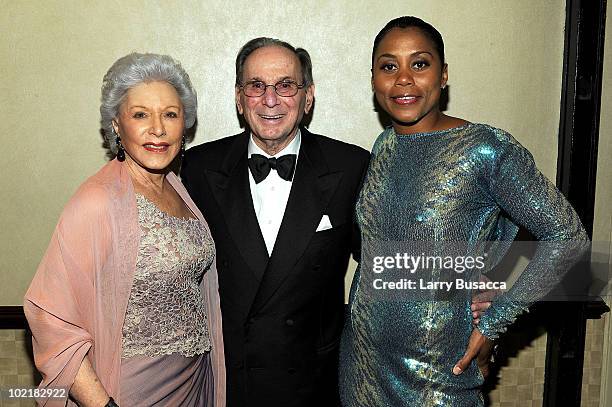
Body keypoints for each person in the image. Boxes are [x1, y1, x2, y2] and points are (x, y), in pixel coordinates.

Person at [339, 16, 589, 406]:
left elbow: (568, 240)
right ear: (374, 80)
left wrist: (494, 320)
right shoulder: (383, 147)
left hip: (441, 377)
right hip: (361, 369)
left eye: (419, 64)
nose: (403, 78)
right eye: (389, 66)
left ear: (443, 75)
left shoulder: (485, 149)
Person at [24, 53, 225, 407]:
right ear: (117, 125)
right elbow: (49, 318)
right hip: (133, 391)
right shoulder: (97, 201)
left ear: (185, 124)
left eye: (170, 114)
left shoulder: (178, 189)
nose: (158, 129)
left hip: (194, 386)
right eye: (140, 115)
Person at [180, 38, 370, 407]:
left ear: (308, 96)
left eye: (285, 85)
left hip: (314, 385)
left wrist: (480, 292)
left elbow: (385, 257)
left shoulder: (350, 167)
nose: (270, 100)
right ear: (239, 97)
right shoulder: (198, 168)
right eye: (256, 86)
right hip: (229, 383)